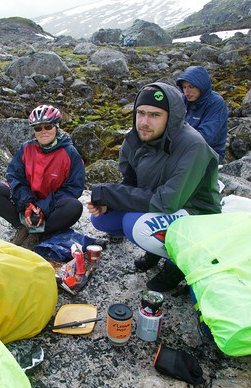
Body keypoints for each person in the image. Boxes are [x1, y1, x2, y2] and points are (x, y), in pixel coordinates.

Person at [87, 83, 221, 291]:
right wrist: (109, 204)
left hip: (196, 211)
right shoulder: (134, 140)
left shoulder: (192, 145)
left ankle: (178, 264)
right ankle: (157, 251)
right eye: (140, 113)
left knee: (135, 225)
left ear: (171, 117)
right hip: (164, 204)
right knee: (102, 217)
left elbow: (167, 201)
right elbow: (131, 184)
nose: (144, 122)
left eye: (155, 115)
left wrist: (111, 194)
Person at [0, 105, 85, 249]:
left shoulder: (70, 153)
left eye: (48, 127)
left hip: (52, 208)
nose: (43, 132)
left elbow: (74, 188)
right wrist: (28, 203)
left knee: (74, 207)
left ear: (56, 127)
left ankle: (38, 233)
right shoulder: (26, 148)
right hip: (26, 204)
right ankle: (22, 227)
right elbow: (14, 176)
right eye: (38, 128)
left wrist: (42, 208)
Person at [176, 66, 229, 162]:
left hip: (209, 154)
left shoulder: (216, 103)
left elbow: (206, 137)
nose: (187, 92)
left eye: (191, 87)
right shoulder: (183, 100)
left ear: (201, 86)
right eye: (184, 87)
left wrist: (176, 142)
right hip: (183, 148)